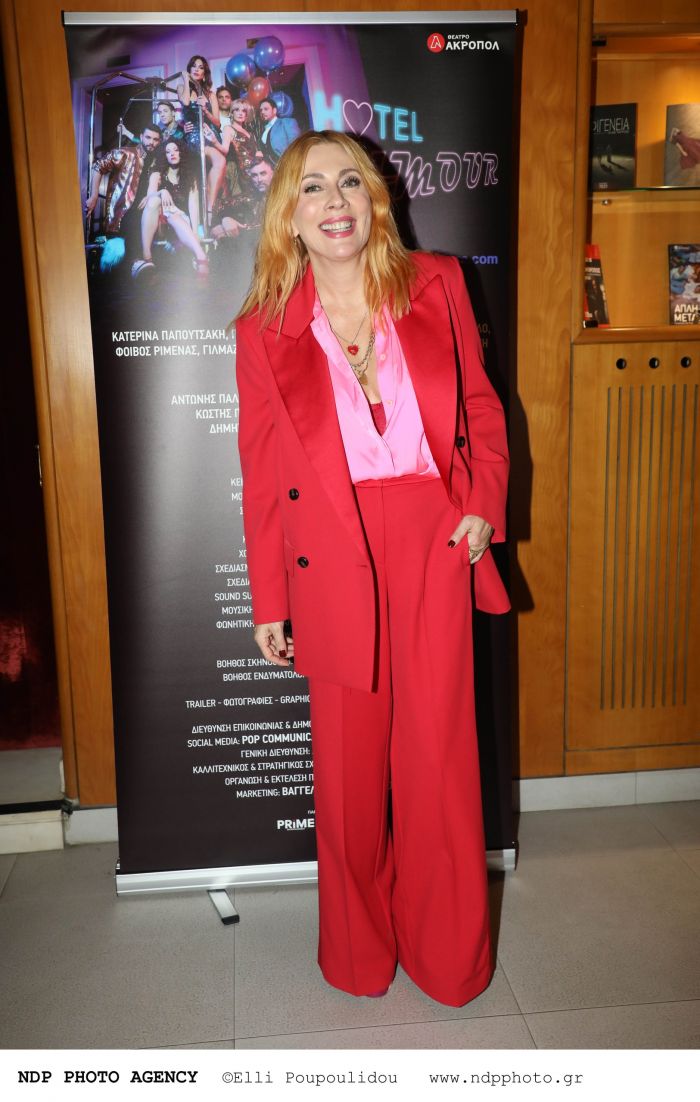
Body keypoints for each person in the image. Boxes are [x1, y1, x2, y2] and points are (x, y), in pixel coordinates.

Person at [235, 130, 509, 1007]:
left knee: (440, 762)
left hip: (434, 540)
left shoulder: (438, 284)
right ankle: (357, 954)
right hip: (332, 556)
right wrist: (270, 600)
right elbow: (263, 478)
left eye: (350, 182)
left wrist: (482, 501)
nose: (335, 201)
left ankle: (449, 957)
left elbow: (482, 407)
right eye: (313, 188)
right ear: (290, 216)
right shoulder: (262, 331)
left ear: (375, 199)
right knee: (350, 777)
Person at [132, 138, 208, 278]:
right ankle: (147, 257)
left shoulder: (190, 176)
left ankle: (200, 256)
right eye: (168, 152)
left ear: (181, 153)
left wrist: (195, 232)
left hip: (180, 221)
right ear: (164, 156)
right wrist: (162, 191)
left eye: (176, 150)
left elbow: (193, 205)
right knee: (155, 200)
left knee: (174, 215)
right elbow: (150, 198)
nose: (172, 154)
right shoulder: (157, 174)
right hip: (159, 221)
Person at [85, 124, 161, 234]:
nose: (151, 142)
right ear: (141, 137)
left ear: (159, 142)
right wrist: (94, 196)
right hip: (122, 217)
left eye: (155, 139)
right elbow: (98, 167)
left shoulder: (158, 161)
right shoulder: (125, 153)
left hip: (145, 217)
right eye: (148, 137)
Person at [175, 55, 225, 220]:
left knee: (220, 161)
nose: (197, 69)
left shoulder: (211, 94)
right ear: (189, 69)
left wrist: (205, 110)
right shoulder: (181, 87)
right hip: (192, 136)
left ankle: (209, 209)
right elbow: (185, 102)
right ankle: (198, 219)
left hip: (208, 135)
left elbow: (217, 122)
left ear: (205, 73)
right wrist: (186, 79)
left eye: (201, 67)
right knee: (195, 179)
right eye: (194, 66)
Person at [257, 97, 300, 163]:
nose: (262, 112)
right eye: (261, 110)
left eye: (266, 109)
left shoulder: (286, 122)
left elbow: (297, 147)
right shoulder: (263, 130)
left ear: (274, 110)